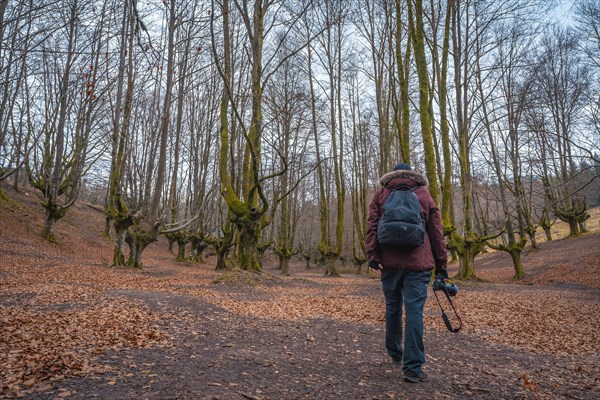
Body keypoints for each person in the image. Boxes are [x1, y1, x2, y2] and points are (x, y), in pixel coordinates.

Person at [365, 162, 448, 383]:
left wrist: (373, 257)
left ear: (391, 174)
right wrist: (442, 266)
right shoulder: (423, 194)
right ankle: (412, 368)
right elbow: (436, 233)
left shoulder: (381, 194)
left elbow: (372, 225)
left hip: (389, 264)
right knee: (414, 312)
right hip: (418, 264)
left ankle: (394, 351)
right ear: (413, 174)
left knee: (393, 306)